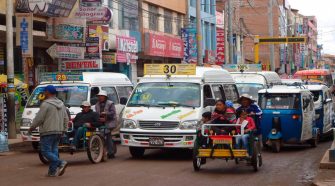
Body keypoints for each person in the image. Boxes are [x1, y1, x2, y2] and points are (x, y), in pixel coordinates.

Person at [28, 85, 69, 177]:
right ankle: (52, 172)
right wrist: (64, 129)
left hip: (48, 131)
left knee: (45, 151)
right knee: (54, 151)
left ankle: (61, 163)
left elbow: (39, 119)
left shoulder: (45, 104)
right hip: (58, 131)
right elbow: (66, 118)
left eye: (45, 91)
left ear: (48, 92)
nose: (44, 93)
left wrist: (32, 128)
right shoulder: (62, 104)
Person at [95, 90, 117, 159]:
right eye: (99, 96)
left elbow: (113, 114)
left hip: (110, 123)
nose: (100, 97)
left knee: (106, 135)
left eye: (101, 96)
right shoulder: (97, 105)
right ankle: (108, 152)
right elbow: (97, 114)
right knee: (103, 136)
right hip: (101, 123)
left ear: (105, 97)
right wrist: (99, 119)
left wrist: (106, 115)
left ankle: (110, 152)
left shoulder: (110, 103)